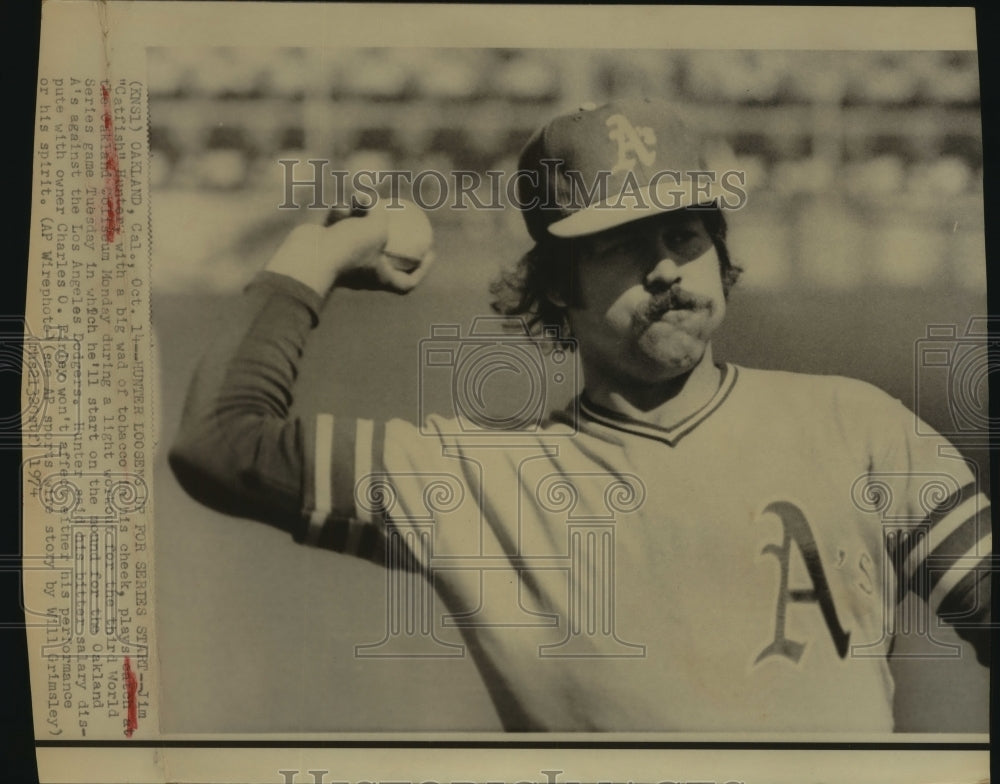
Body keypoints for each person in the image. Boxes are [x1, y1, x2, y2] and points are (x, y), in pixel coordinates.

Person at [169, 97, 991, 732]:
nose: (667, 268)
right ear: (557, 283)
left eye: (686, 233)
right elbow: (220, 442)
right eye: (621, 243)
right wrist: (315, 256)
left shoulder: (860, 429)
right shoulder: (477, 481)